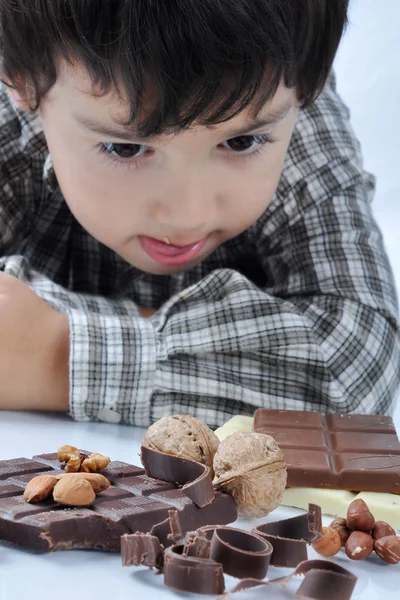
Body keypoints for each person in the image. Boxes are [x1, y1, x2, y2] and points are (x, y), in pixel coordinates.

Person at [0, 0, 398, 427]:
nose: (188, 217)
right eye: (126, 147)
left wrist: (59, 351)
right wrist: (251, 340)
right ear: (19, 79)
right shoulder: (33, 86)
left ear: (310, 84)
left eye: (242, 143)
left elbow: (359, 360)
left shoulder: (284, 85)